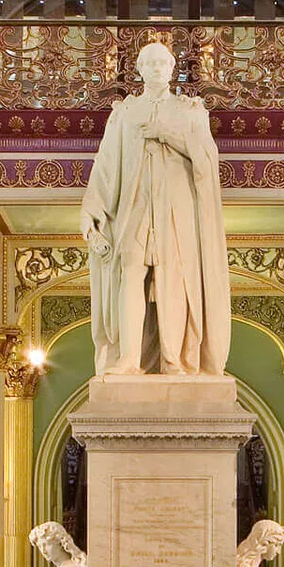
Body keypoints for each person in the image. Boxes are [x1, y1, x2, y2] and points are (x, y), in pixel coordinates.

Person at [81, 40, 230, 376]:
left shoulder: (190, 110)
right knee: (130, 272)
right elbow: (106, 165)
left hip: (175, 210)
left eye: (163, 64)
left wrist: (167, 134)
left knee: (172, 278)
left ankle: (172, 360)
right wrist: (92, 210)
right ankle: (129, 360)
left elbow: (207, 160)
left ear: (172, 69)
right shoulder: (124, 114)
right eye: (150, 64)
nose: (157, 69)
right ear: (140, 70)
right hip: (134, 204)